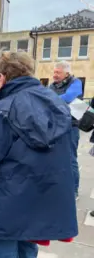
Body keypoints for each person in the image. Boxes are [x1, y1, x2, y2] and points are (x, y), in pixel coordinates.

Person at [0, 52, 78, 257]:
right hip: (38, 202)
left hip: (5, 205)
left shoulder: (3, 109)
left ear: (1, 78)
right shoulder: (57, 104)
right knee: (28, 251)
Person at [49, 61, 83, 199]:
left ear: (66, 73)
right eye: (54, 72)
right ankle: (58, 187)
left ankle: (74, 190)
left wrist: (49, 99)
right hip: (54, 126)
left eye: (58, 72)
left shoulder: (76, 82)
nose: (54, 75)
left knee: (70, 159)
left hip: (71, 126)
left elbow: (69, 97)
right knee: (53, 157)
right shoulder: (52, 86)